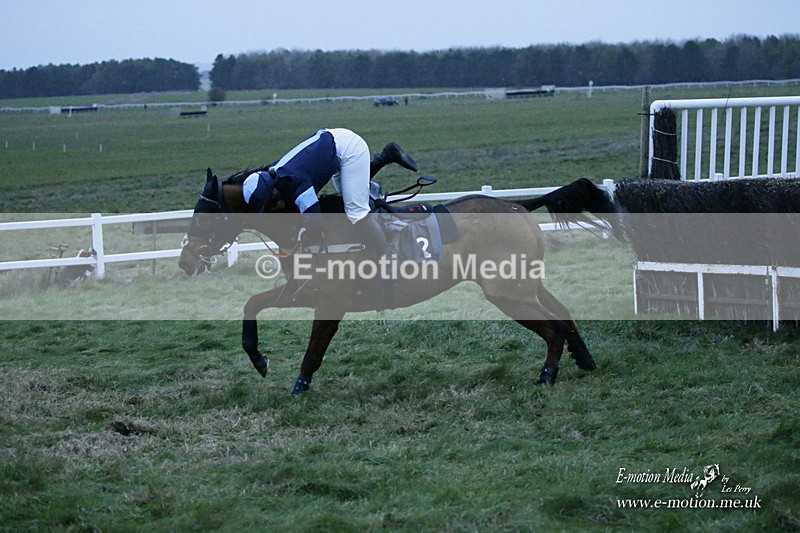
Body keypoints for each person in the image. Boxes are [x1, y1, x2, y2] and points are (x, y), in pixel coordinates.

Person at [241, 128, 417, 255]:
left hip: (349, 149)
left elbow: (315, 222)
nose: (273, 209)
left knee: (356, 212)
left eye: (271, 205)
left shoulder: (295, 182)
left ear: (274, 192)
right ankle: (385, 156)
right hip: (335, 143)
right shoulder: (275, 174)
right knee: (349, 197)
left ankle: (388, 255)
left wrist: (302, 234)